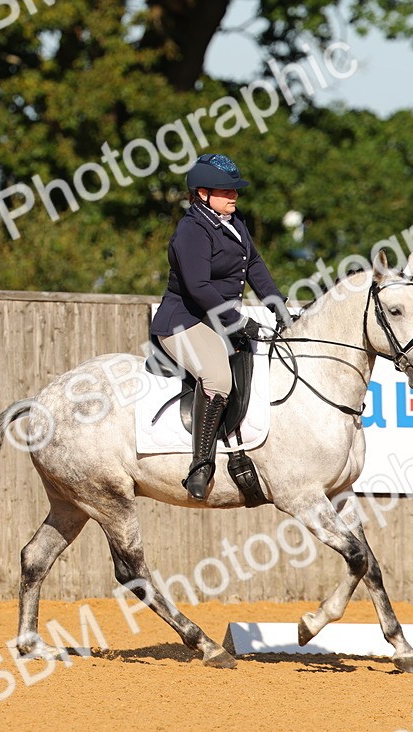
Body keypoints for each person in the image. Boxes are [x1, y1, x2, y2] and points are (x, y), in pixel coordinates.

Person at [149, 153, 292, 501]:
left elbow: (254, 263)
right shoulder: (191, 231)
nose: (233, 197)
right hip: (185, 322)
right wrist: (237, 321)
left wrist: (278, 307)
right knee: (217, 378)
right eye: (225, 191)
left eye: (235, 191)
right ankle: (200, 466)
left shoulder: (233, 221)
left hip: (219, 321)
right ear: (202, 194)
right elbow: (198, 288)